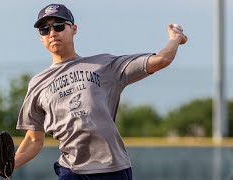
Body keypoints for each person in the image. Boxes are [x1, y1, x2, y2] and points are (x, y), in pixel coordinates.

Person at [14, 3, 187, 180]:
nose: (52, 33)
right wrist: (9, 166)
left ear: (74, 29)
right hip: (72, 169)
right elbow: (34, 139)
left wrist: (175, 38)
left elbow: (161, 60)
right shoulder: (38, 83)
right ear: (41, 37)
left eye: (58, 26)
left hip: (112, 168)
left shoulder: (104, 65)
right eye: (44, 29)